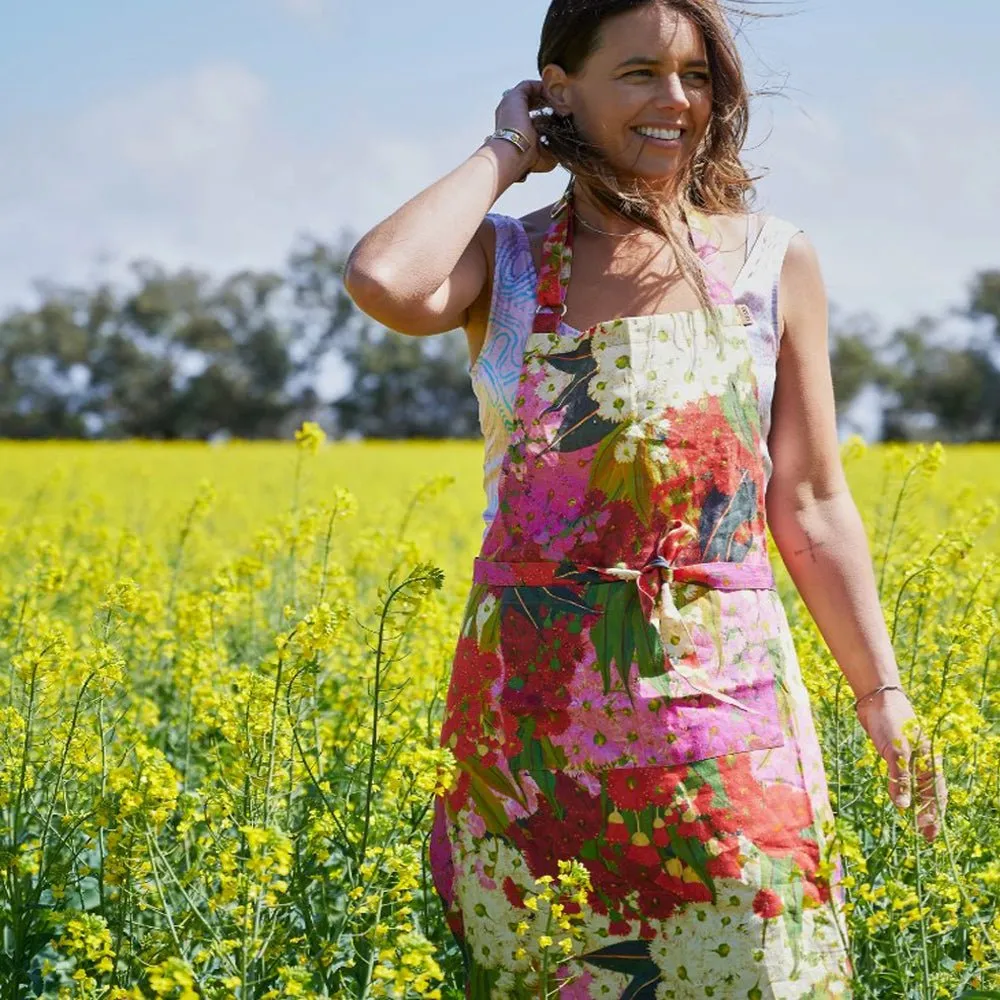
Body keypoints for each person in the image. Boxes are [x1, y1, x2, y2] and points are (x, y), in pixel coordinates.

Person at [344, 1, 948, 995]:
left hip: (726, 715)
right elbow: (383, 278)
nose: (676, 100)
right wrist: (506, 147)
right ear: (557, 84)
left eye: (695, 74)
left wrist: (881, 694)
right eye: (638, 73)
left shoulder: (767, 260)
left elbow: (807, 500)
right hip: (532, 737)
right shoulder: (503, 261)